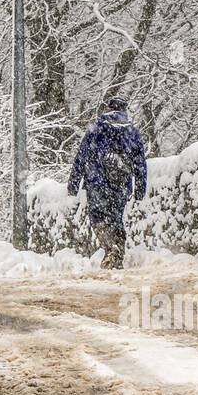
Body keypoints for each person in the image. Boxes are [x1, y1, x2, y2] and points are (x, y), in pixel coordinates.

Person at [67, 97, 148, 269]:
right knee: (116, 218)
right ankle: (116, 252)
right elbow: (140, 163)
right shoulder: (133, 132)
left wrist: (73, 185)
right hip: (121, 184)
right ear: (124, 110)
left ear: (108, 108)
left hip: (96, 182)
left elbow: (81, 157)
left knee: (98, 217)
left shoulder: (96, 129)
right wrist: (140, 189)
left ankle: (111, 249)